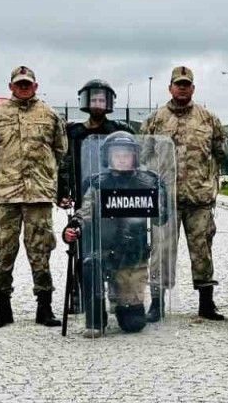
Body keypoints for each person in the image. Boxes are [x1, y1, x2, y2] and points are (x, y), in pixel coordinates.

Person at [0, 65, 68, 330]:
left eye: (28, 83)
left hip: (38, 194)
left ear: (35, 86)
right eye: (19, 83)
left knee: (41, 249)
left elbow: (60, 150)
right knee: (3, 249)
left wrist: (45, 175)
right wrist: (6, 170)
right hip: (5, 194)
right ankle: (2, 308)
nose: (24, 87)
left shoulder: (49, 115)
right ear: (11, 86)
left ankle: (44, 307)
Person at [62, 131, 171, 337]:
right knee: (89, 264)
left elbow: (161, 218)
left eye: (126, 154)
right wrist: (74, 226)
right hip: (103, 249)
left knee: (133, 323)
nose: (121, 159)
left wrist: (159, 202)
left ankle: (121, 300)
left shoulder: (148, 182)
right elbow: (86, 210)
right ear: (107, 157)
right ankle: (95, 318)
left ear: (135, 157)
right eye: (117, 154)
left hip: (133, 254)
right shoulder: (97, 184)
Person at [141, 65, 228, 321]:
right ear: (170, 88)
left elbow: (221, 153)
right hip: (165, 200)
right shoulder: (155, 120)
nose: (182, 88)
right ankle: (157, 303)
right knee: (161, 251)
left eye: (186, 84)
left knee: (202, 250)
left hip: (199, 198)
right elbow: (143, 155)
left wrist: (209, 182)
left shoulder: (208, 119)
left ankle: (206, 303)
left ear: (193, 88)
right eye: (178, 84)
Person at [58, 79, 134, 314]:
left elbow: (135, 157)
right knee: (85, 246)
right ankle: (85, 295)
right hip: (87, 193)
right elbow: (66, 163)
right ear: (86, 101)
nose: (98, 103)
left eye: (103, 99)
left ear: (109, 102)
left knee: (122, 242)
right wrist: (63, 191)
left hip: (118, 194)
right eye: (94, 99)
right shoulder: (75, 132)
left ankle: (119, 294)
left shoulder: (120, 130)